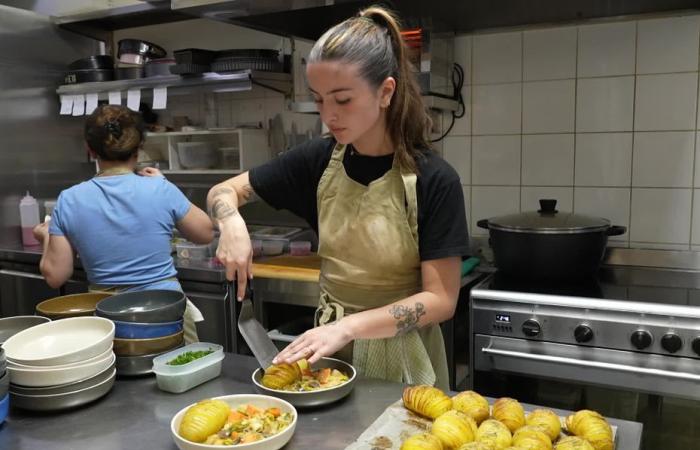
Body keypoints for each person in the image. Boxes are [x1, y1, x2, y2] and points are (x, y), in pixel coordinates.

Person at [207, 6, 468, 389]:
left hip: (403, 356)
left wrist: (350, 327)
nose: (328, 115)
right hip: (330, 351)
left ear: (386, 92)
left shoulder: (433, 179)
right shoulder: (317, 160)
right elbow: (223, 190)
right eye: (319, 100)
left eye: (342, 100)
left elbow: (442, 300)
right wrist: (230, 221)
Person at [34, 105, 214, 343]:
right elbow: (205, 233)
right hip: (165, 312)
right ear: (139, 148)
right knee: (181, 370)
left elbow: (56, 275)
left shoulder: (70, 199)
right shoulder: (158, 188)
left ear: (90, 150)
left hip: (111, 317)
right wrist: (166, 186)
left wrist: (47, 235)